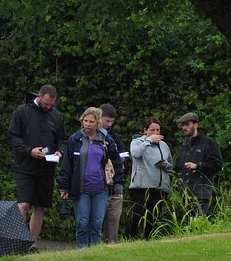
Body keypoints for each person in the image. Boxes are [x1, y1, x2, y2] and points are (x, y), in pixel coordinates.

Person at [7, 84, 66, 242]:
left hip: (46, 168)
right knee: (23, 204)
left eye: (51, 105)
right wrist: (29, 151)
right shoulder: (22, 111)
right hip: (25, 166)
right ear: (39, 96)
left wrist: (60, 151)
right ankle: (18, 241)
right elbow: (13, 137)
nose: (48, 107)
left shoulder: (56, 116)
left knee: (40, 206)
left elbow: (62, 139)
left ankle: (32, 244)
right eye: (45, 104)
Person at [56, 107, 114, 248]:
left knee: (96, 223)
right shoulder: (75, 139)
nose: (87, 124)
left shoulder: (106, 139)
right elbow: (67, 164)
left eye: (91, 121)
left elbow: (116, 161)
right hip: (81, 188)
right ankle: (82, 250)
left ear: (98, 123)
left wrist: (117, 183)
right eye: (85, 121)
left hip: (101, 188)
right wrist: (64, 186)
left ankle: (94, 251)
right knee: (82, 222)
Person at [127, 118, 172, 238]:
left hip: (159, 187)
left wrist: (165, 165)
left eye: (158, 130)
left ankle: (149, 239)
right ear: (145, 130)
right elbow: (135, 154)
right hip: (141, 186)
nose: (156, 133)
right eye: (152, 130)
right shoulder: (137, 142)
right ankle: (130, 238)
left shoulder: (164, 146)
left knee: (153, 217)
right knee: (137, 215)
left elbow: (171, 165)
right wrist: (149, 141)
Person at [173, 112, 222, 218]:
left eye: (187, 124)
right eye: (182, 125)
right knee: (188, 228)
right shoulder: (183, 145)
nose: (184, 127)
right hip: (185, 194)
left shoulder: (209, 143)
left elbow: (217, 165)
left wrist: (198, 166)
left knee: (199, 223)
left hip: (201, 192)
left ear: (196, 125)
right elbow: (179, 167)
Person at [99, 104, 129, 243]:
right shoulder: (91, 136)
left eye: (112, 121)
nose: (109, 124)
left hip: (116, 180)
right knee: (98, 218)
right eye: (107, 121)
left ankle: (111, 244)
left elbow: (122, 154)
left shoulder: (114, 136)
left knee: (114, 218)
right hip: (99, 182)